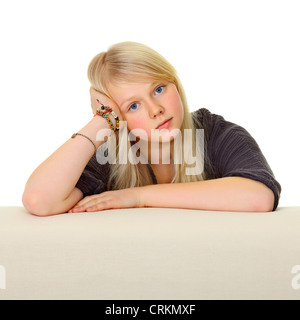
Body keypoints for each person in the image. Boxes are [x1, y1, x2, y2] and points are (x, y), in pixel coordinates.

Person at [22, 41, 281, 216]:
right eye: (133, 105)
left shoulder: (216, 133)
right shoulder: (111, 155)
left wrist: (137, 197)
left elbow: (259, 197)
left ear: (175, 85)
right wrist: (102, 120)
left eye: (158, 89)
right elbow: (39, 200)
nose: (155, 109)